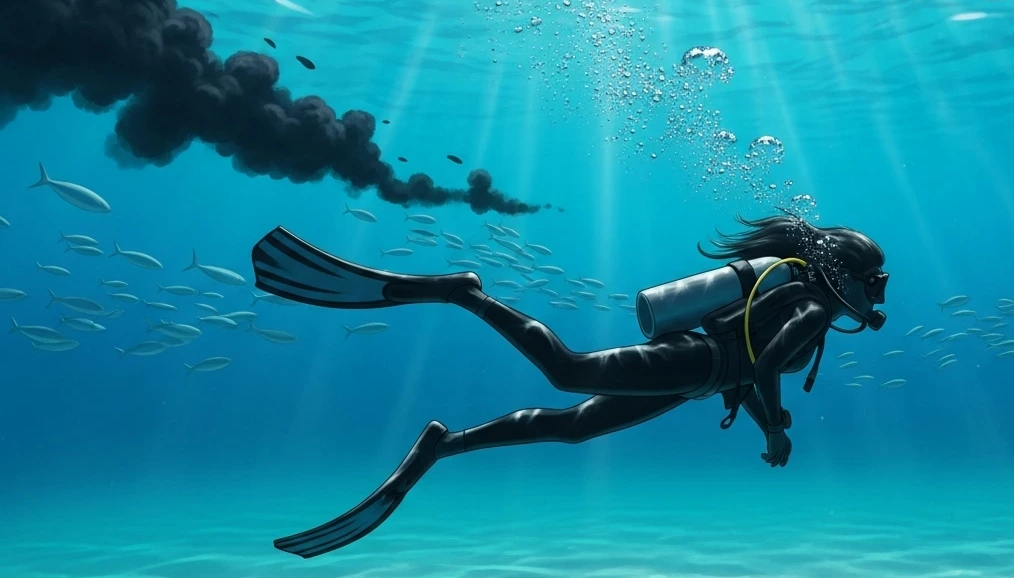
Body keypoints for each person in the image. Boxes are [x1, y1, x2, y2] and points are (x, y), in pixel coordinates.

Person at [251, 214, 888, 558]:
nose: (878, 293)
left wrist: (758, 414)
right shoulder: (807, 309)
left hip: (696, 376)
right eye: (875, 281)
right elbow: (768, 364)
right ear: (846, 276)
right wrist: (774, 429)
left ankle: (443, 445)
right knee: (569, 370)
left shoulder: (805, 303)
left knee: (577, 425)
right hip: (690, 364)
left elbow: (752, 369)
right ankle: (461, 295)